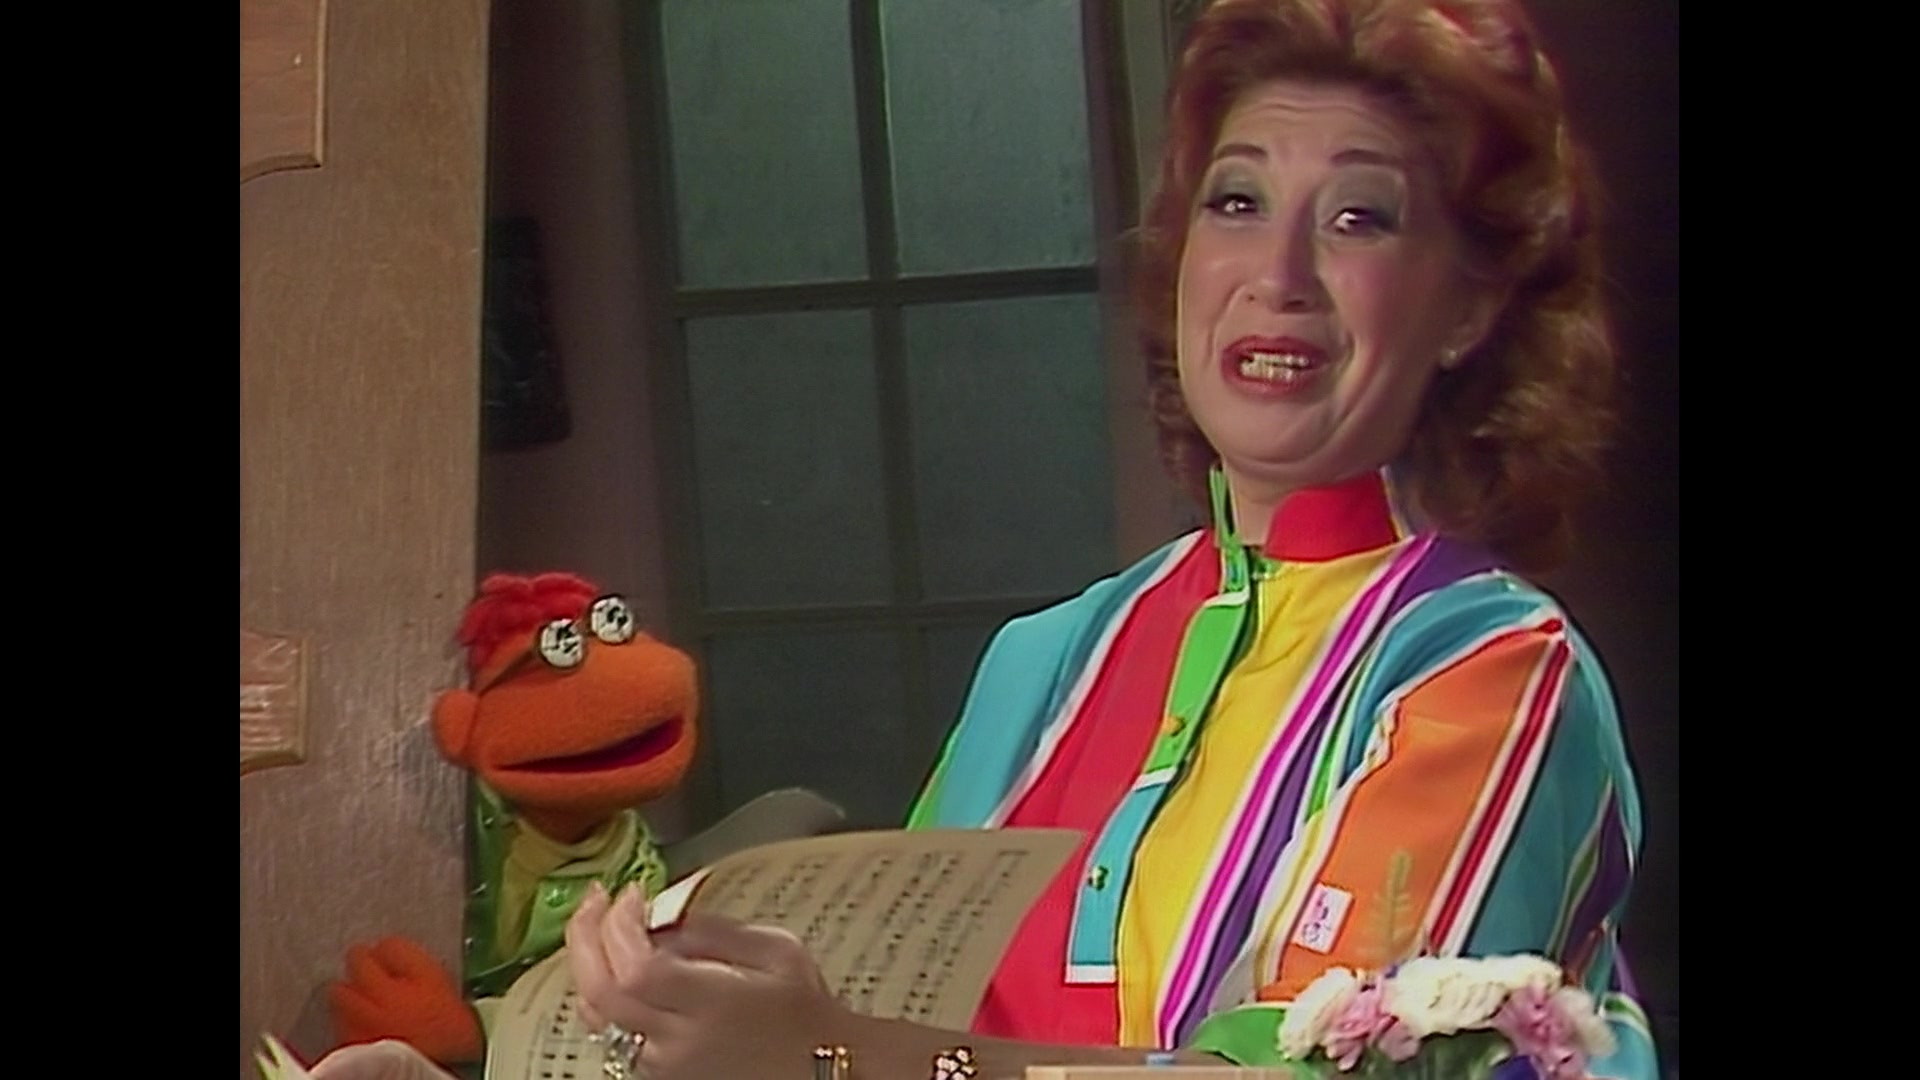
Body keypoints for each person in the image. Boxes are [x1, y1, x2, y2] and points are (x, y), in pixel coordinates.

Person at [314, 0, 1661, 1075]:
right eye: (1237, 201)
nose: (1279, 275)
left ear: (1471, 307)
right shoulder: (1047, 659)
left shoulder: (1490, 676)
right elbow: (875, 1024)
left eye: (1359, 217)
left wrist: (831, 1054)